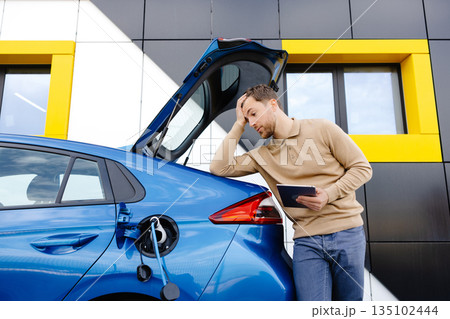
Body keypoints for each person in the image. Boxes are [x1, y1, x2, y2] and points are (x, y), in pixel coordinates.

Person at [209, 84, 372, 301]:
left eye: (254, 114)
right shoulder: (262, 156)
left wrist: (328, 195)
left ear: (273, 104)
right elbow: (219, 168)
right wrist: (238, 124)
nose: (252, 123)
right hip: (307, 242)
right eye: (248, 119)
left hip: (347, 233)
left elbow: (362, 168)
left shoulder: (322, 128)